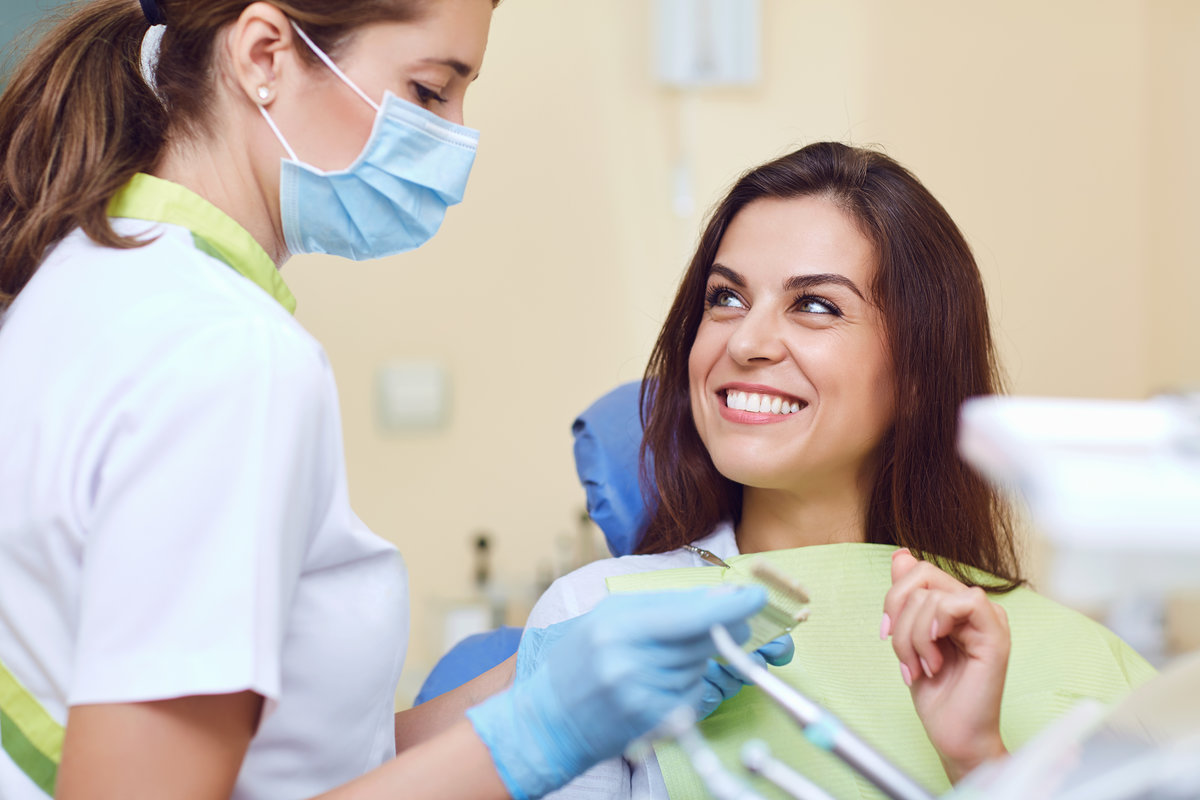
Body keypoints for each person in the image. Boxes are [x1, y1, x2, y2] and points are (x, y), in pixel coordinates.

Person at [0, 2, 784, 799]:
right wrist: (542, 732)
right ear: (265, 55)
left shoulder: (93, 280)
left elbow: (292, 764)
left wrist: (533, 681)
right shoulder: (230, 359)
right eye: (430, 92)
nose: (457, 142)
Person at [527, 141, 1156, 799]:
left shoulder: (1083, 666)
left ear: (916, 375)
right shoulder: (598, 619)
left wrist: (980, 762)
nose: (745, 342)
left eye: (816, 306)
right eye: (726, 298)